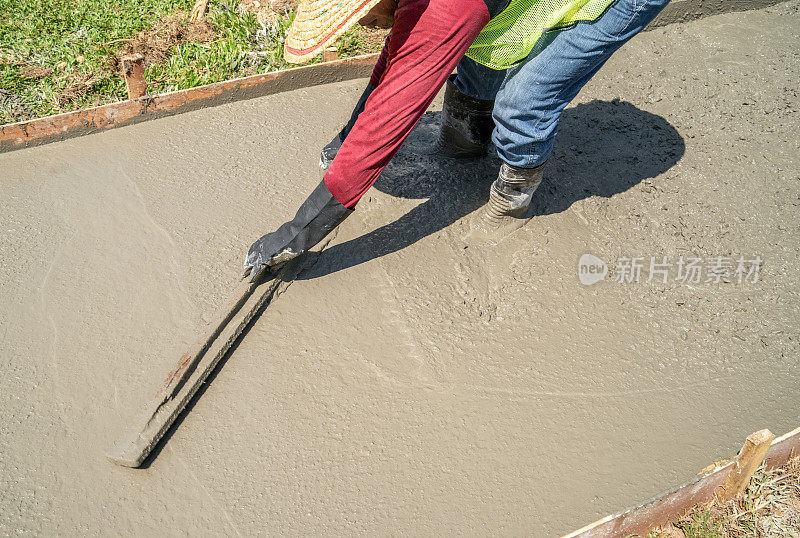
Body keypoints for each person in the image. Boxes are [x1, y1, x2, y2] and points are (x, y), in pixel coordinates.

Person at [243, 0, 670, 280]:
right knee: (481, 47)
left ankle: (513, 199)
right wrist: (347, 136)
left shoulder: (447, 8)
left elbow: (395, 113)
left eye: (365, 17)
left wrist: (298, 230)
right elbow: (396, 58)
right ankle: (466, 141)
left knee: (523, 103)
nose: (368, 25)